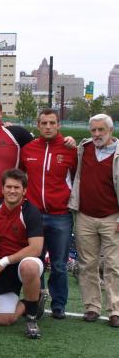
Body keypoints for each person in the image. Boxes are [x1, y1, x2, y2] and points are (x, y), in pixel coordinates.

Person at [20, 108, 77, 319]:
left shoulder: (70, 149)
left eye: (52, 123)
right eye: (44, 123)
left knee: (59, 264)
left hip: (60, 215)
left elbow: (78, 178)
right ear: (38, 125)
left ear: (58, 125)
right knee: (36, 261)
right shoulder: (28, 149)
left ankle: (59, 304)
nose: (48, 127)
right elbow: (19, 177)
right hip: (34, 214)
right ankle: (38, 299)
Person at [68, 113, 119, 327]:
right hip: (85, 215)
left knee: (114, 265)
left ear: (111, 131)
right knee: (87, 264)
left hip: (112, 217)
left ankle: (115, 309)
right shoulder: (84, 148)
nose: (97, 134)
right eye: (94, 130)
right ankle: (91, 307)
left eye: (101, 130)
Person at [0, 169, 45, 338]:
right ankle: (34, 300)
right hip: (5, 267)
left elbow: (36, 248)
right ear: (2, 189)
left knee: (28, 266)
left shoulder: (31, 211)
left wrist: (4, 261)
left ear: (24, 190)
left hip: (26, 262)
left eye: (17, 187)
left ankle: (32, 319)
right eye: (8, 187)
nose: (12, 191)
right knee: (2, 320)